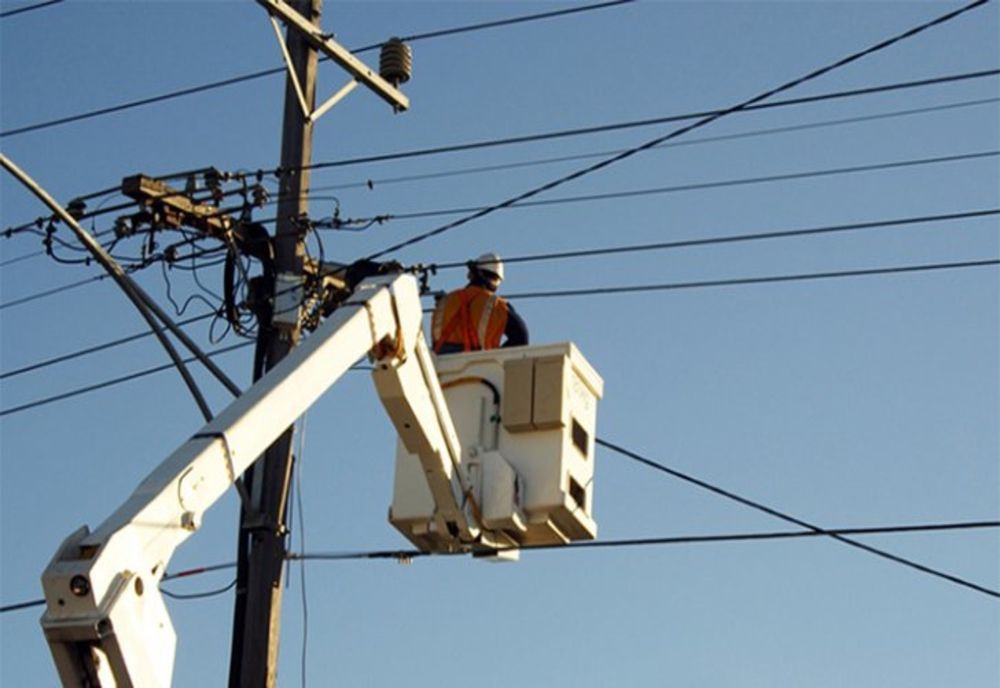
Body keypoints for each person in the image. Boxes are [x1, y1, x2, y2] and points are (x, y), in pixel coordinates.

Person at [431, 252, 528, 354]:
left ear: (471, 274)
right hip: (477, 365)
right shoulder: (497, 305)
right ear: (496, 283)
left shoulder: (444, 302)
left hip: (441, 365)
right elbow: (521, 337)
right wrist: (496, 357)